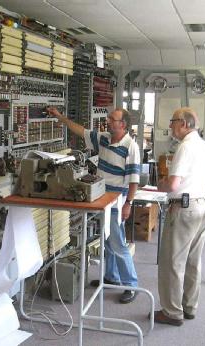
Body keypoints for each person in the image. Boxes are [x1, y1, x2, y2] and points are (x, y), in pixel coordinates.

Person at [47, 106, 140, 303]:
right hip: (101, 197)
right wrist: (60, 117)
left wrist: (128, 204)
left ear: (122, 124)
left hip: (117, 200)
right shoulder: (104, 138)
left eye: (112, 119)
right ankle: (111, 277)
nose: (107, 120)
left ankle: (131, 284)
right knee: (107, 240)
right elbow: (80, 130)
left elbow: (134, 180)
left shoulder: (131, 146)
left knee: (117, 242)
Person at [155, 107, 205, 326]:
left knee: (172, 262)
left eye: (173, 121)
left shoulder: (185, 147)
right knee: (193, 261)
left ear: (185, 124)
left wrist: (159, 184)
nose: (170, 125)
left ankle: (171, 312)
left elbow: (172, 184)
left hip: (184, 209)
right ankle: (190, 307)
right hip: (202, 207)